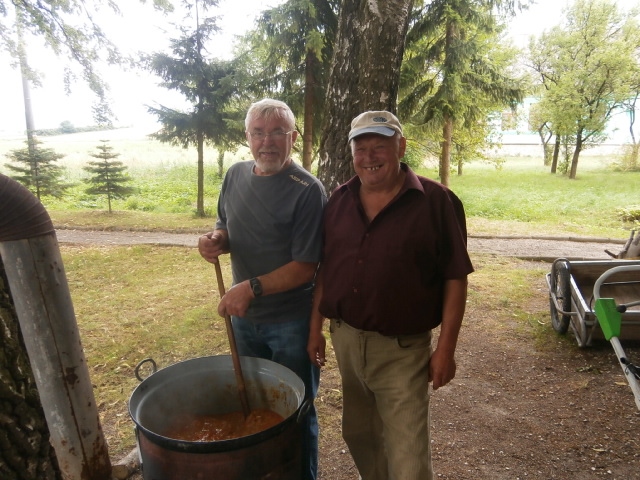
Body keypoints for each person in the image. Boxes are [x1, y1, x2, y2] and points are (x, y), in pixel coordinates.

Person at [307, 110, 474, 480]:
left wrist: (446, 350)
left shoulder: (437, 201)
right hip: (346, 341)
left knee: (408, 457)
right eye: (361, 148)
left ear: (400, 146)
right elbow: (326, 270)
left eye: (379, 146)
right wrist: (314, 328)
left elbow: (455, 277)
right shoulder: (339, 201)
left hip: (402, 350)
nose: (369, 157)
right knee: (360, 436)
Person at [198, 98, 327, 480]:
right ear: (247, 136)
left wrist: (251, 288)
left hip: (291, 323)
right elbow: (225, 223)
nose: (266, 141)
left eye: (276, 133)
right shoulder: (235, 175)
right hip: (243, 321)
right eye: (258, 133)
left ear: (293, 137)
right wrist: (216, 240)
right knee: (253, 404)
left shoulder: (307, 190)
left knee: (296, 410)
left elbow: (306, 267)